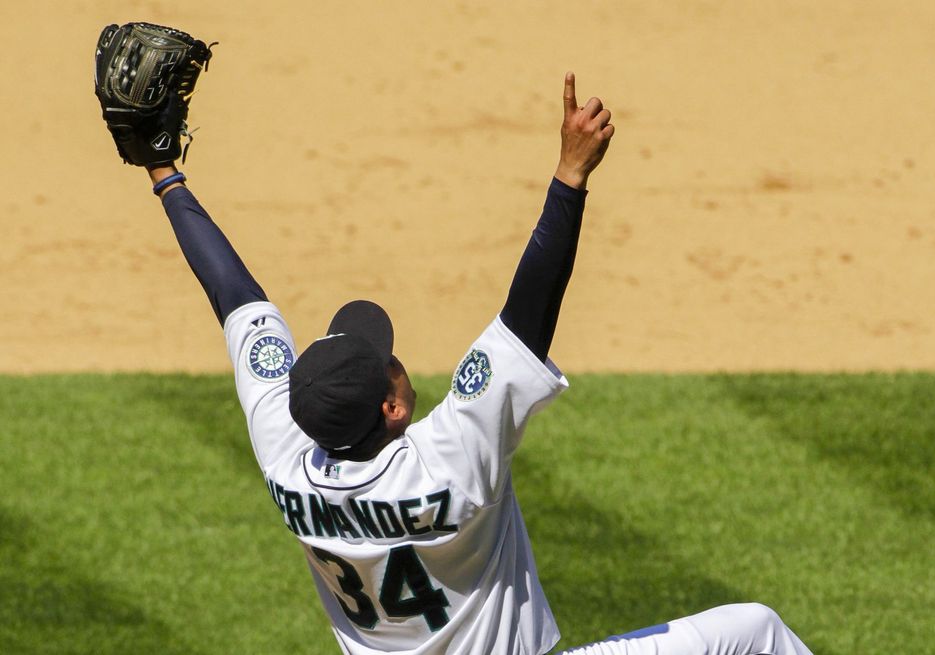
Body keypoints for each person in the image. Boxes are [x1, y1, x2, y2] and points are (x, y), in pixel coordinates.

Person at [141, 72, 813, 655]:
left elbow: (235, 298)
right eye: (388, 363)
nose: (393, 358)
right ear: (392, 405)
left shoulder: (289, 460)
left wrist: (163, 172)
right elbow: (529, 315)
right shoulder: (448, 460)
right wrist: (571, 175)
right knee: (754, 632)